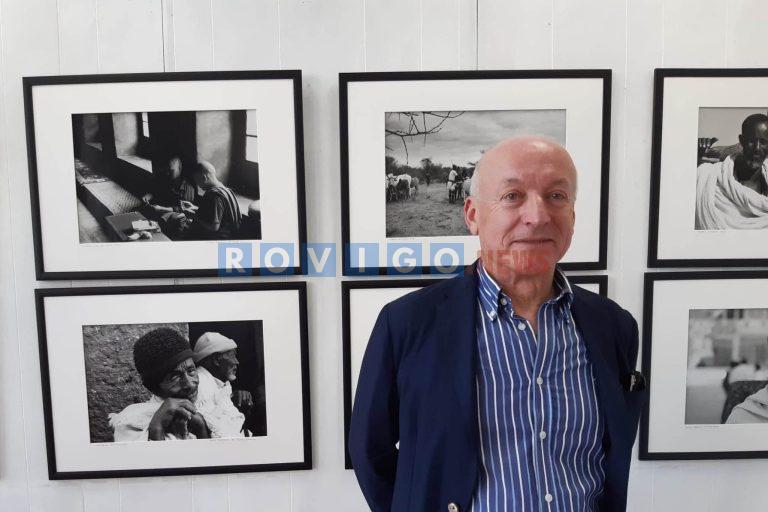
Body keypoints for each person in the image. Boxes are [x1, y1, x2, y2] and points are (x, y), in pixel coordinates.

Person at [349, 136, 646, 512]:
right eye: (513, 196)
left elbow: (610, 457)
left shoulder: (613, 326)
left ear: (573, 214)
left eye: (556, 196)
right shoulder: (407, 323)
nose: (537, 215)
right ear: (472, 215)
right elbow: (369, 452)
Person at [109, 328, 210, 442]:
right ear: (154, 388)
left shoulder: (214, 401)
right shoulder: (132, 423)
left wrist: (201, 428)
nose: (189, 384)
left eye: (191, 371)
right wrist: (157, 428)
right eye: (175, 377)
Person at [695, 113, 768, 230]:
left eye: (763, 142)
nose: (757, 148)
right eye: (751, 141)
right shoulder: (709, 179)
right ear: (742, 141)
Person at [192, 332, 250, 438]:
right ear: (216, 360)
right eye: (233, 356)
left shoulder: (221, 383)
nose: (237, 362)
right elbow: (217, 432)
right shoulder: (199, 384)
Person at [190, 160, 242, 239]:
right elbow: (216, 213)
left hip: (219, 238)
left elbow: (214, 227)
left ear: (204, 177)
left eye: (198, 181)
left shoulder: (215, 196)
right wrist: (194, 207)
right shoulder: (223, 188)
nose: (198, 185)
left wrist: (193, 216)